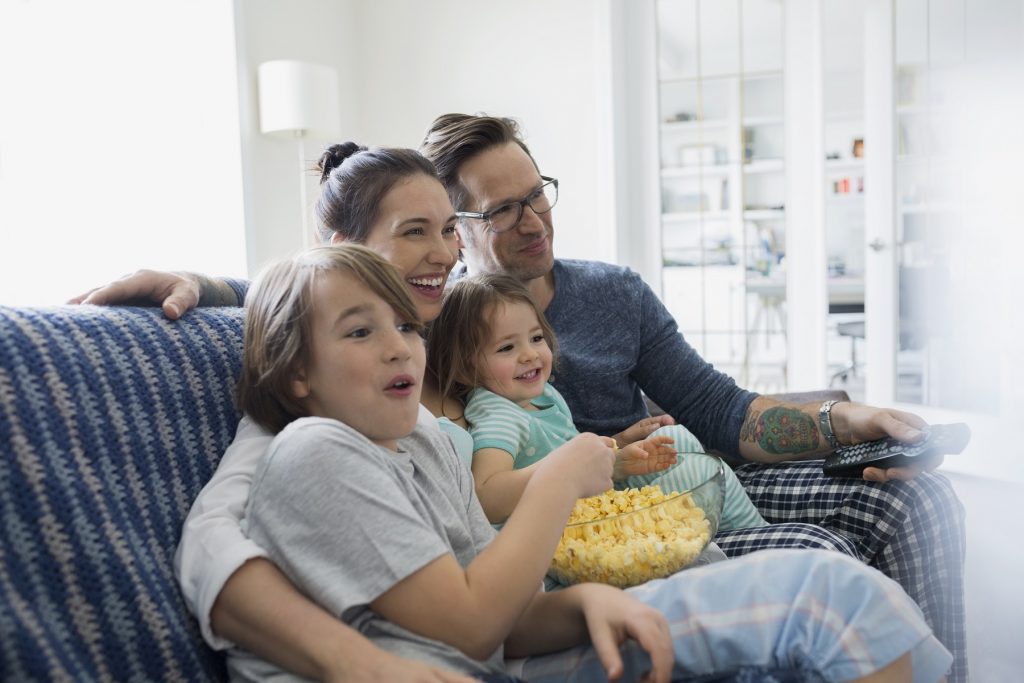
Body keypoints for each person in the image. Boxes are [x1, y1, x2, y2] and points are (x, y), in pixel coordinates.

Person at [69, 118, 967, 682]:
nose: (526, 221)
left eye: (536, 196)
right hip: (552, 570)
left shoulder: (578, 298)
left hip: (647, 510)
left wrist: (848, 420)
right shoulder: (399, 360)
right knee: (814, 577)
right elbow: (310, 315)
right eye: (494, 213)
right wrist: (208, 282)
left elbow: (719, 406)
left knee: (909, 500)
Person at [234, 241, 950, 683]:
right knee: (828, 597)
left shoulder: (415, 439)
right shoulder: (318, 449)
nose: (398, 346)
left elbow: (503, 613)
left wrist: (580, 600)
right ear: (296, 371)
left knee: (837, 585)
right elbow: (476, 623)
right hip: (479, 659)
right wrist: (563, 477)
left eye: (402, 327)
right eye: (362, 332)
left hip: (522, 633)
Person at [427, 271, 768, 532]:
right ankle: (757, 541)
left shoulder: (542, 395)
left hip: (593, 504)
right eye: (506, 348)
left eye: (535, 338)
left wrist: (619, 442)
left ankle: (748, 533)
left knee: (675, 441)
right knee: (699, 470)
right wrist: (586, 468)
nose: (530, 354)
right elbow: (486, 495)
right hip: (568, 529)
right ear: (464, 367)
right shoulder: (498, 413)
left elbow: (571, 448)